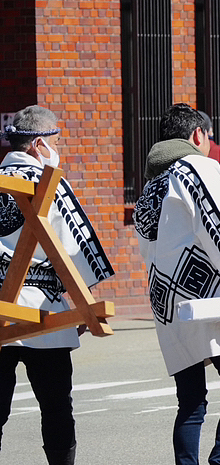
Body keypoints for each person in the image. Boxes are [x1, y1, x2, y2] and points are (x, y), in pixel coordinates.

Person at [134, 103, 220, 465]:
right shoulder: (199, 166)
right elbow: (219, 226)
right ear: (198, 135)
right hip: (209, 294)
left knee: (190, 401)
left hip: (166, 301)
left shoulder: (152, 185)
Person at [0, 105, 115, 465]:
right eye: (55, 140)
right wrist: (84, 304)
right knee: (55, 407)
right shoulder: (48, 183)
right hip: (42, 310)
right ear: (38, 143)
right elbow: (75, 247)